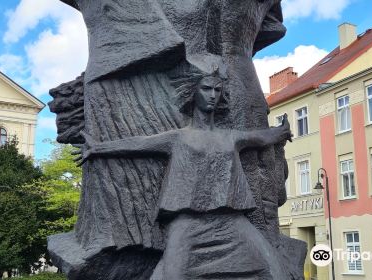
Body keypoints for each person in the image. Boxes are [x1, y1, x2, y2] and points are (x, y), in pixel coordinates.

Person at [73, 69, 293, 279]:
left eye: (217, 90)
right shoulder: (177, 138)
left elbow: (263, 137)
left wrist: (281, 131)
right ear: (194, 93)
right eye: (207, 89)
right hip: (188, 223)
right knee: (172, 274)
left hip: (230, 220)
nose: (213, 95)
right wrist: (97, 149)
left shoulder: (232, 137)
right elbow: (139, 144)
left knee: (273, 269)